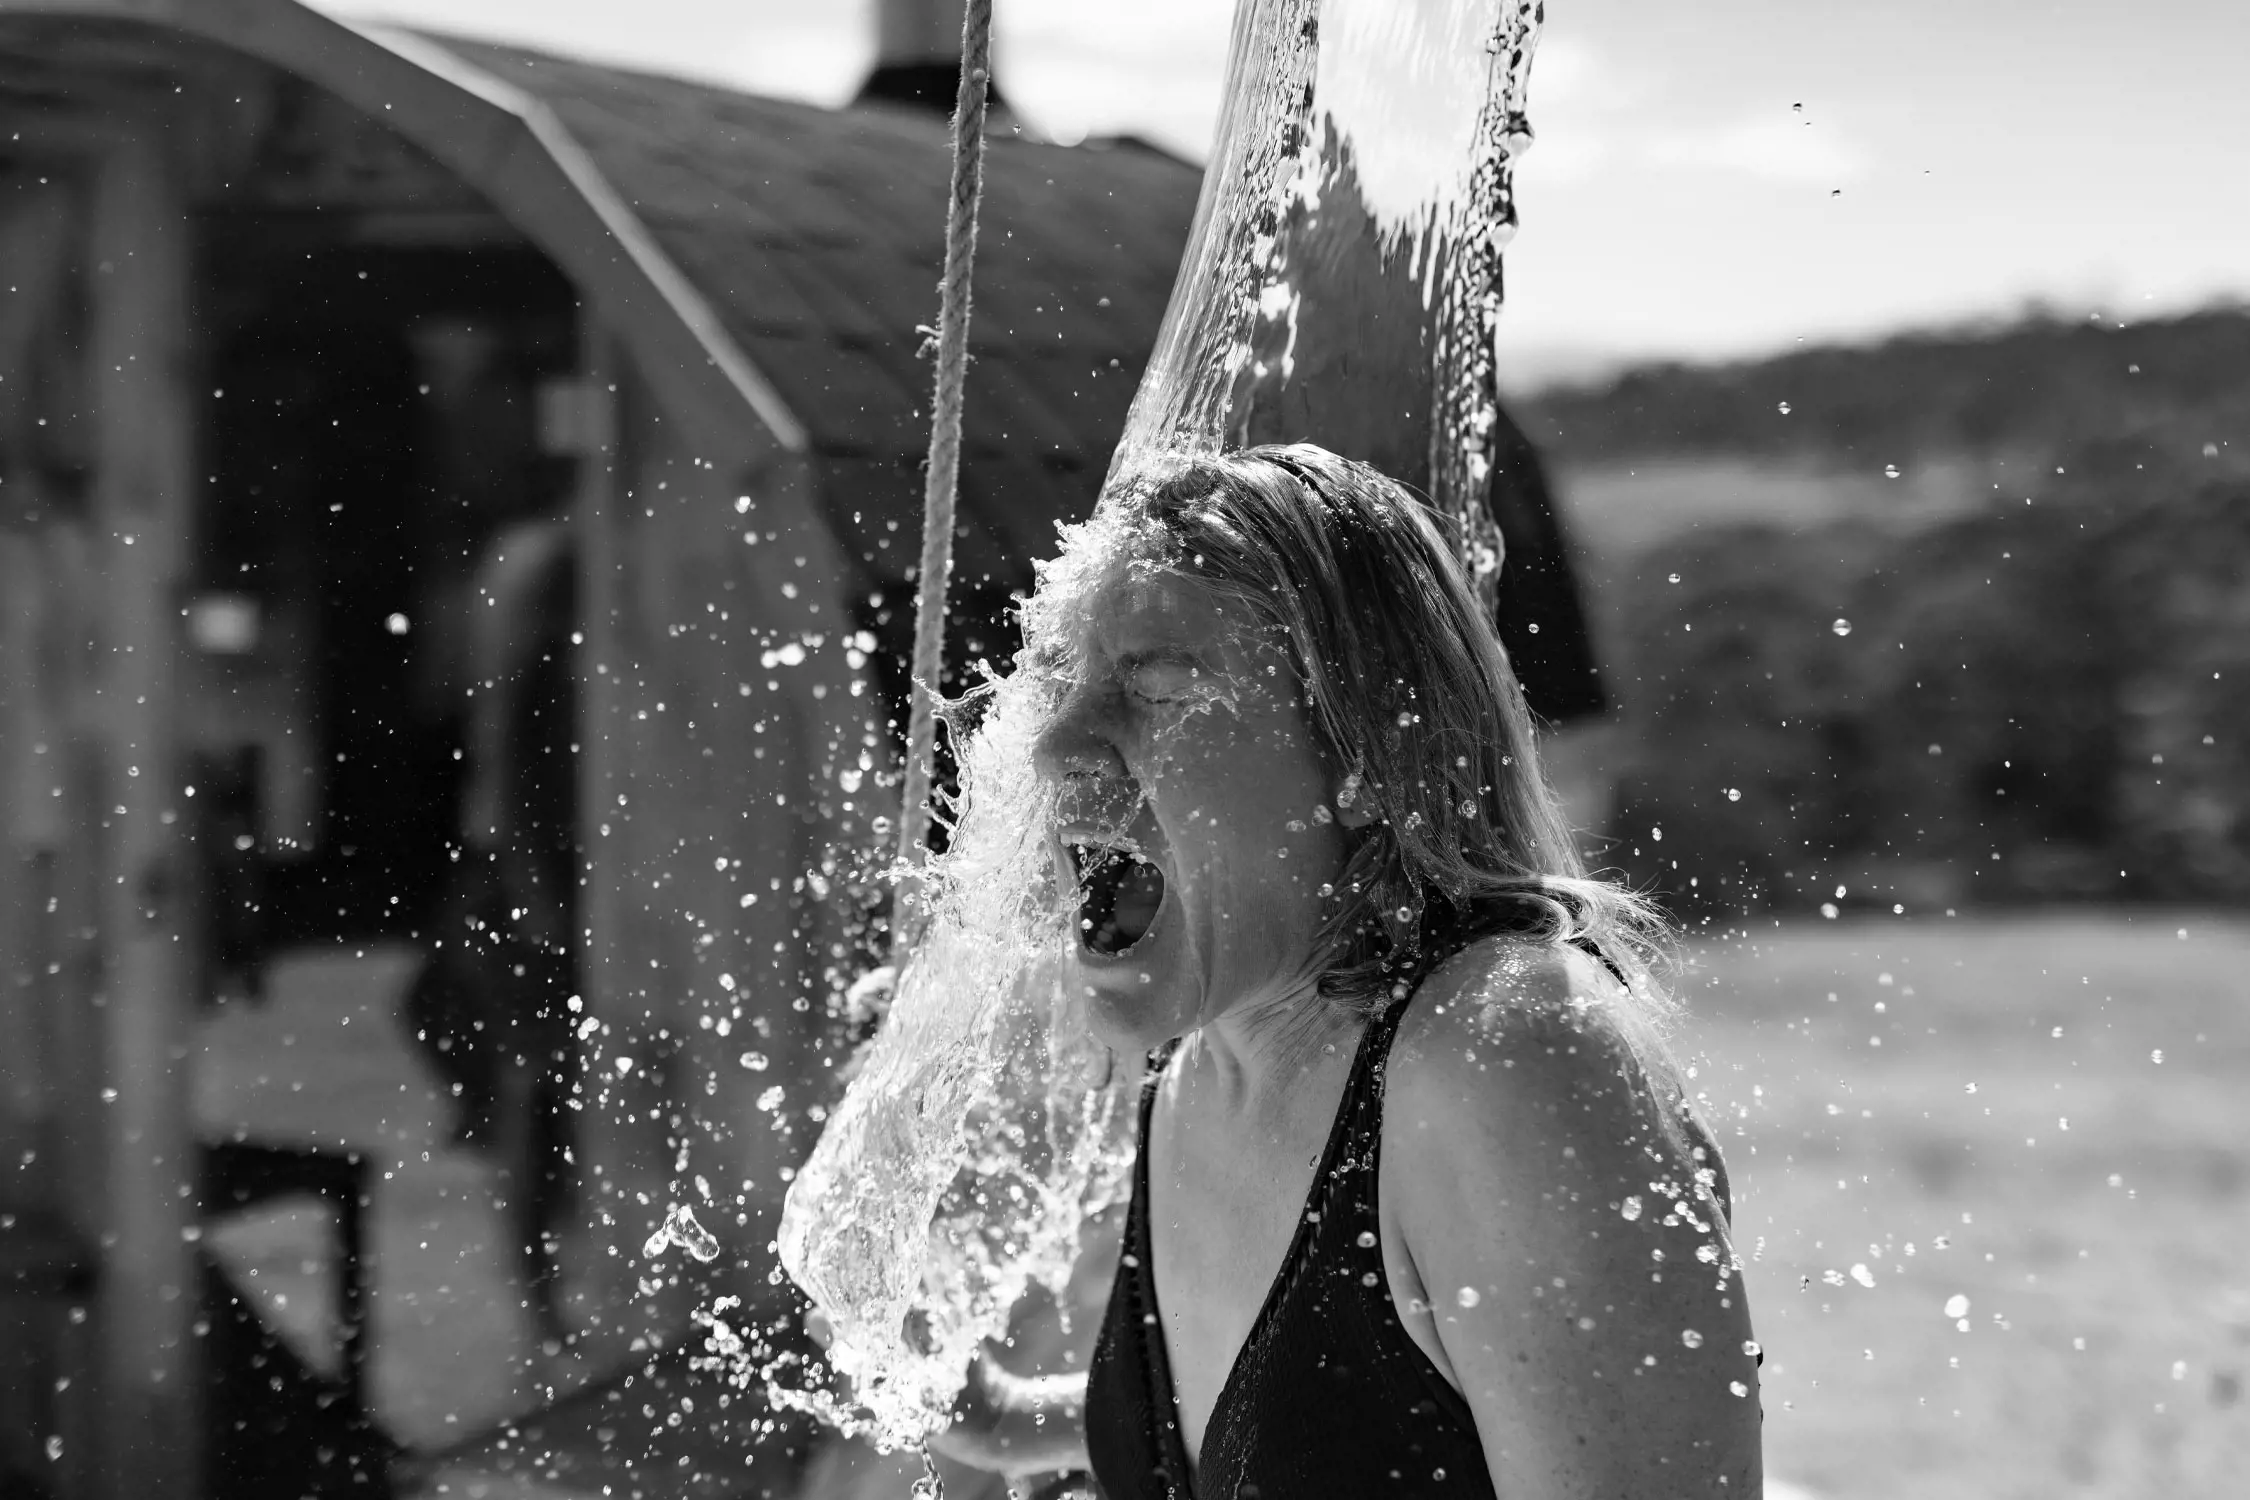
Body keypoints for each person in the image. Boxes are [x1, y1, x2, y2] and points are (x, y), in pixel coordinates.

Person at [932, 444, 1762, 1497]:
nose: (1056, 745)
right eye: (1058, 681)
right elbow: (1310, 1437)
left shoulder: (1509, 1053)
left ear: (1372, 756)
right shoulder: (1198, 1058)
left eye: (1160, 685)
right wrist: (985, 1409)